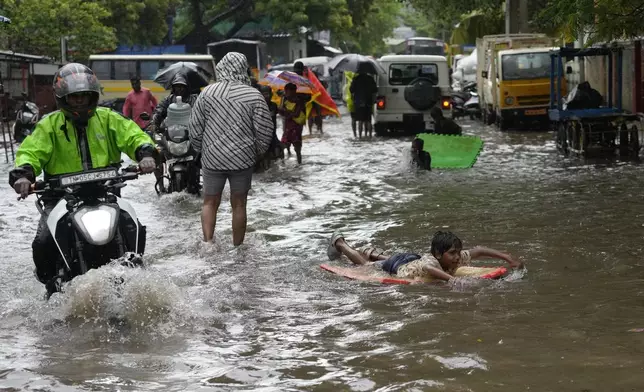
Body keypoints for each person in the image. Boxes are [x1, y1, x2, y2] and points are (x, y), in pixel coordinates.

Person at [8, 63, 157, 291]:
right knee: (43, 241)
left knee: (133, 224)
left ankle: (136, 269)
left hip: (105, 192)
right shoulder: (49, 125)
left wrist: (146, 154)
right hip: (60, 198)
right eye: (74, 97)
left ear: (92, 96)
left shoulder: (109, 119)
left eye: (83, 97)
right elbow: (31, 151)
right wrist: (23, 176)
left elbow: (133, 136)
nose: (79, 102)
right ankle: (52, 286)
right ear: (63, 98)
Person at [188, 52, 273, 246]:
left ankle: (208, 243)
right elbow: (265, 129)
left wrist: (201, 149)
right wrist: (257, 152)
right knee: (239, 204)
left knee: (210, 202)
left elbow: (194, 127)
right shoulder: (253, 95)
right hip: (242, 159)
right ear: (244, 68)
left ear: (221, 67)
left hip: (212, 158)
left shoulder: (207, 93)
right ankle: (237, 247)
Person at [326, 230, 523, 282]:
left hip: (411, 259)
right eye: (452, 253)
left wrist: (507, 258)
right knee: (364, 266)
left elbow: (479, 250)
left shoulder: (453, 256)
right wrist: (452, 280)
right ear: (438, 254)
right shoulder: (432, 261)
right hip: (398, 267)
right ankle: (340, 243)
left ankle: (372, 252)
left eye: (457, 253)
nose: (456, 258)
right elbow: (429, 269)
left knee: (386, 258)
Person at [151, 74, 200, 192]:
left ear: (187, 87)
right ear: (173, 88)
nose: (180, 89)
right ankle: (161, 184)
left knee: (202, 153)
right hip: (171, 135)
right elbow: (159, 112)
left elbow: (202, 113)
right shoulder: (168, 100)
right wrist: (155, 124)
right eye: (177, 87)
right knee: (157, 154)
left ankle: (203, 180)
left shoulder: (195, 99)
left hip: (190, 135)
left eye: (182, 87)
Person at [279, 83, 307, 164]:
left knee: (297, 147)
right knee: (284, 145)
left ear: (293, 91)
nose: (286, 93)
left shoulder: (299, 100)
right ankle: (284, 164)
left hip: (296, 127)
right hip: (288, 126)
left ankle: (299, 164)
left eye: (287, 91)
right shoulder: (284, 99)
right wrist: (282, 103)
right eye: (285, 91)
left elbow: (296, 114)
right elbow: (281, 111)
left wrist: (286, 112)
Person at [293, 61, 323, 135]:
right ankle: (311, 132)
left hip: (310, 98)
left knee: (315, 114)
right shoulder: (301, 77)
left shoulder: (309, 75)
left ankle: (315, 131)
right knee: (311, 115)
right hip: (304, 101)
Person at [350, 62, 378, 138]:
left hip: (358, 102)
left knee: (360, 120)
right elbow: (375, 90)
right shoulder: (370, 79)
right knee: (368, 120)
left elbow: (351, 90)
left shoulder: (356, 79)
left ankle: (359, 136)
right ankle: (369, 136)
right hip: (368, 101)